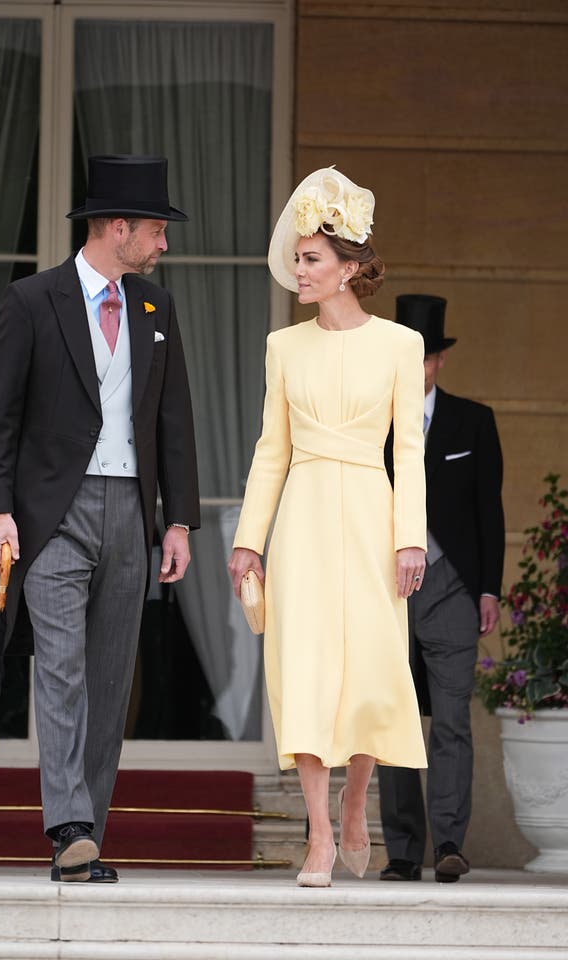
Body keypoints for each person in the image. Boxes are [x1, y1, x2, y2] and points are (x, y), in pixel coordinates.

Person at [0, 155, 199, 883]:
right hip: (54, 514)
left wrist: (178, 522)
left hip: (130, 511)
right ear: (117, 227)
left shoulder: (156, 308)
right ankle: (69, 824)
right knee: (63, 671)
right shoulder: (31, 301)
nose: (164, 244)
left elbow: (174, 423)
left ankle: (86, 835)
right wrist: (0, 511)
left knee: (109, 680)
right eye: (157, 230)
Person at [228, 168, 428, 887]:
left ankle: (355, 803)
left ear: (349, 268)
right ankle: (318, 835)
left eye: (311, 260)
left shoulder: (402, 345)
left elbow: (409, 450)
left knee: (372, 670)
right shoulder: (285, 347)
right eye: (297, 259)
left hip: (374, 516)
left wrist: (411, 538)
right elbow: (270, 450)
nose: (297, 270)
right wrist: (250, 537)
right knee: (304, 670)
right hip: (305, 518)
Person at [377, 294, 505, 884]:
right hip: (385, 590)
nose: (418, 364)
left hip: (453, 589)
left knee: (451, 720)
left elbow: (489, 513)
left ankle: (449, 844)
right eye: (409, 354)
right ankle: (404, 849)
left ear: (439, 362)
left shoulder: (474, 421)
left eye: (426, 355)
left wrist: (489, 590)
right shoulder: (371, 421)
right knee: (391, 722)